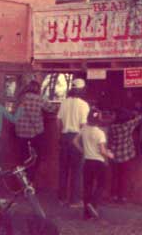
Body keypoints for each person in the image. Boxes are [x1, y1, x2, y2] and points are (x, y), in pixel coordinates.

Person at [74, 107, 114, 220]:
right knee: (102, 184)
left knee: (87, 187)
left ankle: (86, 215)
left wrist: (83, 150)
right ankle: (93, 203)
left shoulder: (84, 129)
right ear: (99, 119)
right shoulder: (100, 133)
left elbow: (75, 141)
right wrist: (109, 154)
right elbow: (102, 150)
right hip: (98, 162)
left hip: (87, 161)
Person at [57, 78, 89, 207]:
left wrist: (59, 135)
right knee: (77, 170)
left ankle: (62, 199)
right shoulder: (84, 105)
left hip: (64, 137)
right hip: (77, 138)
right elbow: (83, 124)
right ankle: (75, 200)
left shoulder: (64, 103)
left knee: (63, 169)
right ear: (82, 90)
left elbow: (58, 121)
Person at [15, 80, 56, 180]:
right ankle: (31, 180)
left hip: (20, 132)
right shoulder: (39, 99)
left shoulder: (21, 98)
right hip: (35, 133)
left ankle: (23, 181)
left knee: (23, 157)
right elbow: (52, 109)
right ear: (37, 89)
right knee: (36, 157)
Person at [108, 107, 142, 203]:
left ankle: (113, 196)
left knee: (114, 176)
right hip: (125, 155)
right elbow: (139, 118)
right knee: (123, 177)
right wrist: (134, 114)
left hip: (114, 155)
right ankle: (122, 197)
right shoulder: (127, 125)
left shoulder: (112, 127)